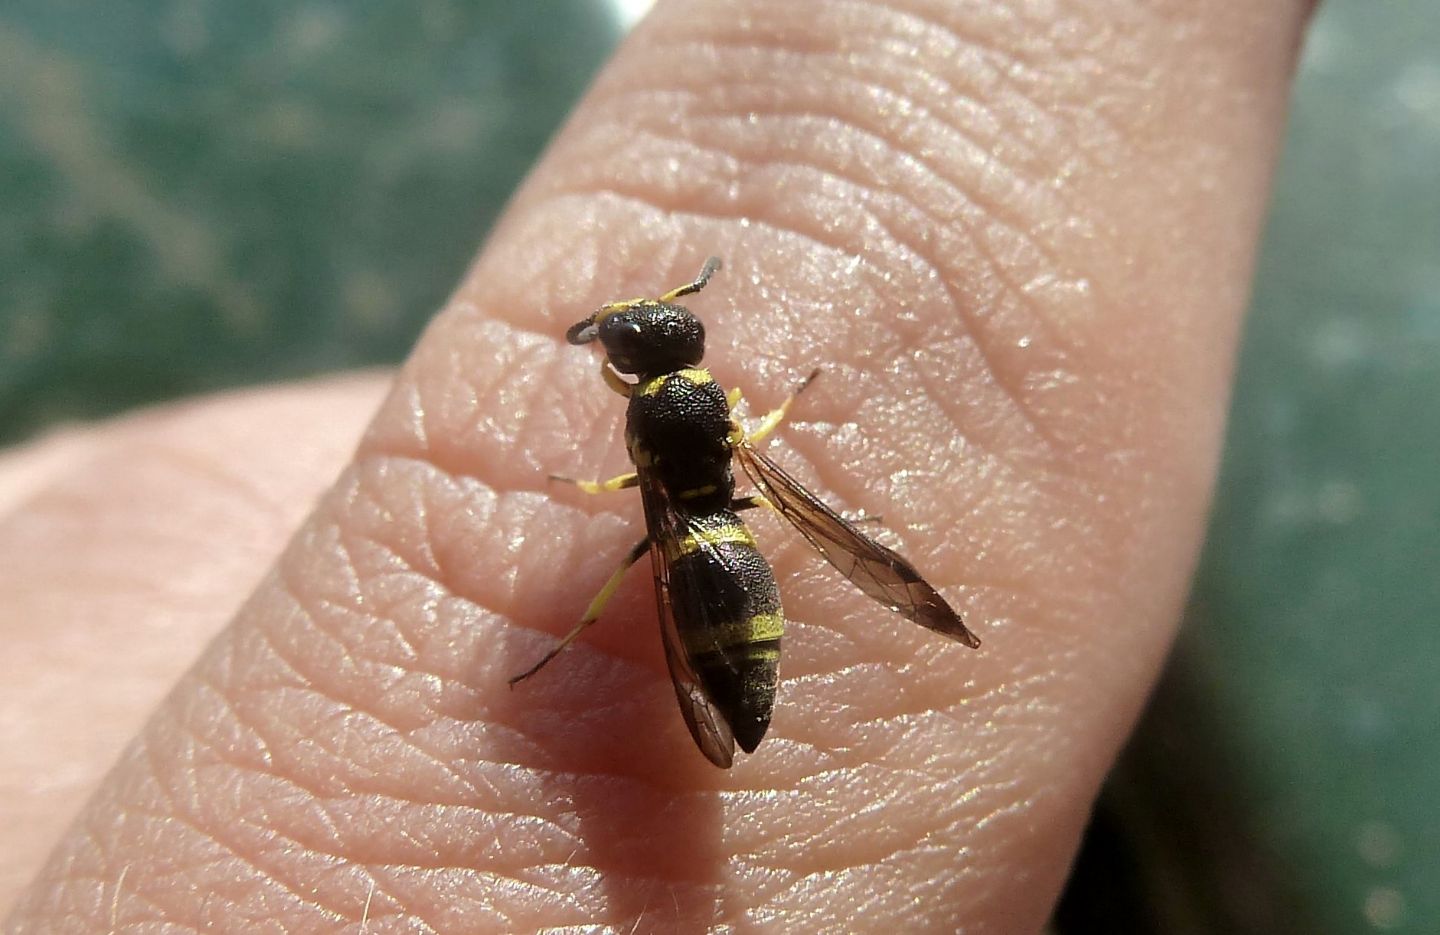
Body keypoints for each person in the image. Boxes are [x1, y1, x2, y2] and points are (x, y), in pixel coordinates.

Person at [1, 0, 1316, 929]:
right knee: (721, 549)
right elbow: (747, 459)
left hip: (702, 555)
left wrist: (568, 632)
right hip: (722, 543)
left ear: (644, 379)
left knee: (664, 555)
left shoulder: (664, 435)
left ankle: (676, 675)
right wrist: (777, 420)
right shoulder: (719, 419)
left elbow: (619, 505)